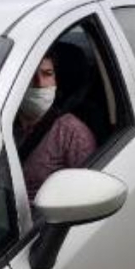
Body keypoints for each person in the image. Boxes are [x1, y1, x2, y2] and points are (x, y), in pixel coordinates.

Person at [16, 44, 97, 201]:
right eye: (30, 76)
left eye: (47, 74)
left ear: (56, 80)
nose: (39, 83)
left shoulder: (72, 133)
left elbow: (87, 195)